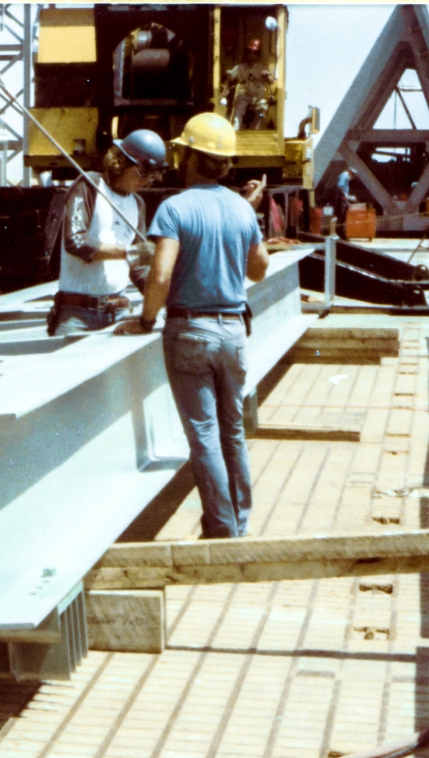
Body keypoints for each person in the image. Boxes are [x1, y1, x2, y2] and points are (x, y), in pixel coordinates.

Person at [116, 112, 269, 539]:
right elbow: (258, 269)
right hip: (234, 330)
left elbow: (159, 276)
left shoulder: (174, 208)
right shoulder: (242, 208)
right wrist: (241, 227)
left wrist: (146, 320)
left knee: (204, 436)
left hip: (189, 333)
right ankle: (238, 521)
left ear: (190, 158)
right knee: (232, 431)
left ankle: (222, 530)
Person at [48, 130, 167, 336]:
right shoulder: (90, 185)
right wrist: (129, 252)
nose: (147, 182)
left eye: (153, 177)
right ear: (120, 162)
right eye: (143, 173)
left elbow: (138, 267)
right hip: (77, 314)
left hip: (118, 310)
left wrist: (160, 298)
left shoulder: (137, 204)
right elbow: (76, 242)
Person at [223, 37, 275, 131]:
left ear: (257, 55)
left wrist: (267, 76)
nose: (251, 55)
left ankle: (256, 130)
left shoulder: (261, 67)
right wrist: (225, 90)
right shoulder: (239, 68)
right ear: (246, 53)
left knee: (262, 110)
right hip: (243, 96)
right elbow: (229, 80)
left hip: (258, 97)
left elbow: (271, 81)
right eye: (249, 52)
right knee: (238, 109)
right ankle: (236, 129)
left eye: (254, 53)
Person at [334, 166, 353, 241]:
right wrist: (344, 194)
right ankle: (339, 232)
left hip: (342, 198)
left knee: (342, 216)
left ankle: (340, 232)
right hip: (341, 198)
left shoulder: (346, 176)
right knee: (341, 215)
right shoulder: (345, 175)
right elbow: (340, 185)